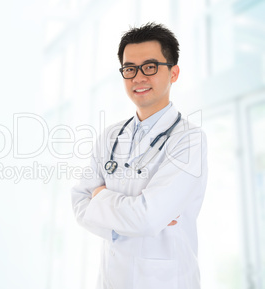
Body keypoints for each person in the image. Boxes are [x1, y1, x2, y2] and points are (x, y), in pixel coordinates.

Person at [72, 23, 208, 289]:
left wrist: (100, 197)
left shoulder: (189, 139)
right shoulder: (110, 136)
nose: (138, 77)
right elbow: (78, 202)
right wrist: (138, 214)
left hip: (165, 281)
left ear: (174, 72)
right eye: (129, 69)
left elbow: (146, 218)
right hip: (111, 279)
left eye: (150, 66)